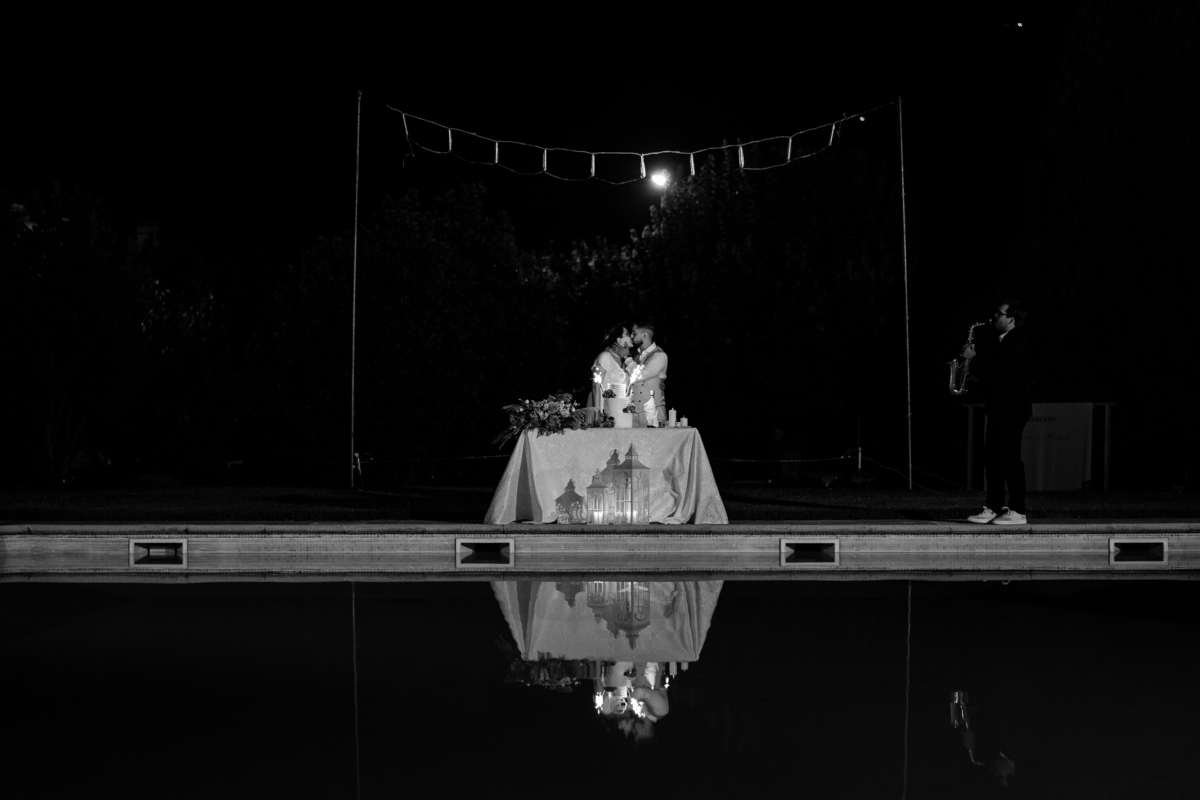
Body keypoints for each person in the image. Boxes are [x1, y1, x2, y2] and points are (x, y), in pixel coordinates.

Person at [962, 301, 1033, 525]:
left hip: (1011, 409)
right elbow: (996, 377)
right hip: (1000, 408)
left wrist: (974, 358)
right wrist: (976, 378)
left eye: (999, 314)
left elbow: (997, 372)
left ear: (1011, 319)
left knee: (1009, 458)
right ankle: (994, 507)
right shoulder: (1004, 341)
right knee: (992, 459)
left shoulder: (1017, 340)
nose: (994, 317)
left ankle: (1018, 510)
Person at [627, 322, 668, 427]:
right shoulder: (635, 354)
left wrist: (628, 360)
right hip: (634, 411)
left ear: (644, 335)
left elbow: (639, 376)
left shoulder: (660, 356)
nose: (631, 336)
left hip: (654, 412)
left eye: (634, 333)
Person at [587, 324, 634, 411]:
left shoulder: (626, 361)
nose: (631, 336)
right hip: (603, 410)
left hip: (619, 411)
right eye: (627, 334)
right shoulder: (605, 357)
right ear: (619, 340)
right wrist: (598, 412)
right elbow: (596, 387)